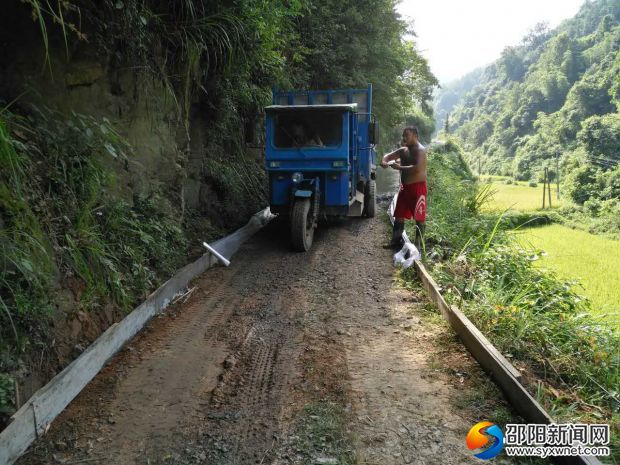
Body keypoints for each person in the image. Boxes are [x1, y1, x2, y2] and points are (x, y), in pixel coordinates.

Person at [380, 126, 427, 252]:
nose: (404, 137)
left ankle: (418, 246)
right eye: (403, 135)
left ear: (415, 135)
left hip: (418, 188)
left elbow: (417, 168)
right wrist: (384, 161)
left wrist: (399, 167)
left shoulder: (420, 150)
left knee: (419, 216)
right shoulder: (403, 150)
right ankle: (395, 242)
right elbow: (387, 156)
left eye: (407, 134)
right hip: (404, 188)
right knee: (399, 214)